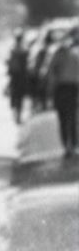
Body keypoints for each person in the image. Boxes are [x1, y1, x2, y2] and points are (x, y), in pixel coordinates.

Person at [48, 28, 79, 158]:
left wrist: (50, 91)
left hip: (63, 89)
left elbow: (51, 74)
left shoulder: (57, 55)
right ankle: (71, 145)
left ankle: (68, 145)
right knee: (71, 118)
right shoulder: (75, 54)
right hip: (71, 88)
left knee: (64, 119)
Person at [5, 30, 30, 123]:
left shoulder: (12, 49)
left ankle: (15, 112)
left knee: (14, 94)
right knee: (21, 95)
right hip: (22, 76)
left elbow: (7, 62)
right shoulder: (24, 49)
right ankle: (18, 113)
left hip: (14, 76)